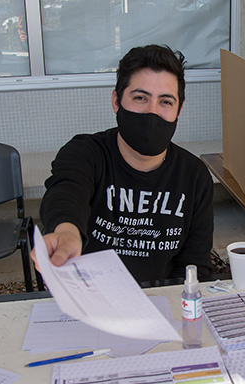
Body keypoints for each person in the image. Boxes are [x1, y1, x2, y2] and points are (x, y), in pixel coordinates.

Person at [36, 44, 214, 285]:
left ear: (179, 110)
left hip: (159, 302)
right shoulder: (85, 153)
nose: (152, 112)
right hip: (88, 295)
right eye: (140, 98)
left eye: (166, 102)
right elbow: (67, 191)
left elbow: (194, 268)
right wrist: (67, 232)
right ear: (117, 101)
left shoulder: (193, 175)